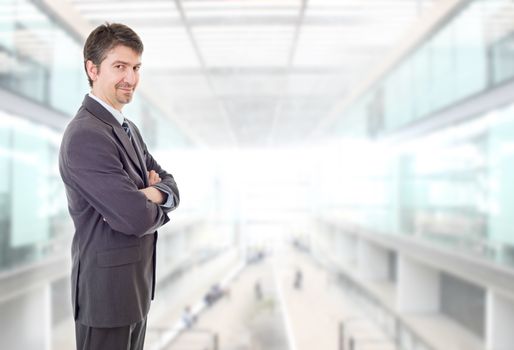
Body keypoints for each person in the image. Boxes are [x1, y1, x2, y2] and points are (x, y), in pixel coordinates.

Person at [59, 22, 180, 350]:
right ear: (93, 69)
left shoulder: (128, 129)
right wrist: (145, 198)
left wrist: (149, 194)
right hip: (106, 301)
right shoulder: (86, 135)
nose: (131, 78)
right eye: (120, 67)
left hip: (134, 292)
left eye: (136, 67)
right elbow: (135, 218)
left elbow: (172, 186)